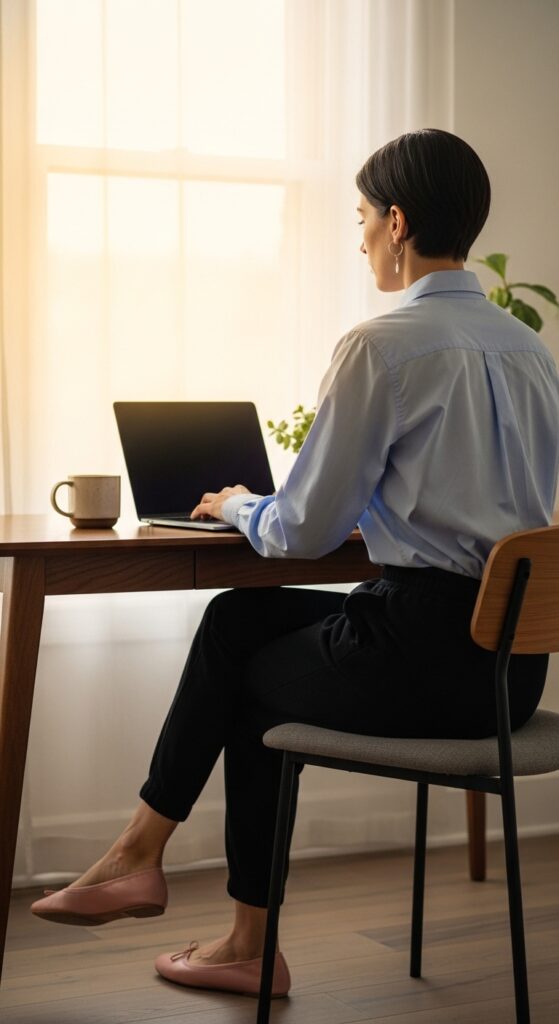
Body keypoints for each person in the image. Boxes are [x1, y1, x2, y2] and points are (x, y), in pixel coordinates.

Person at [31, 129, 559, 1000]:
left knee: (245, 663)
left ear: (396, 222)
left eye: (359, 219)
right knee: (240, 623)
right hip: (507, 675)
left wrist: (236, 503)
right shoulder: (531, 354)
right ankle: (164, 879)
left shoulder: (382, 347)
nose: (357, 241)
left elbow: (305, 528)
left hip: (421, 656)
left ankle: (181, 889)